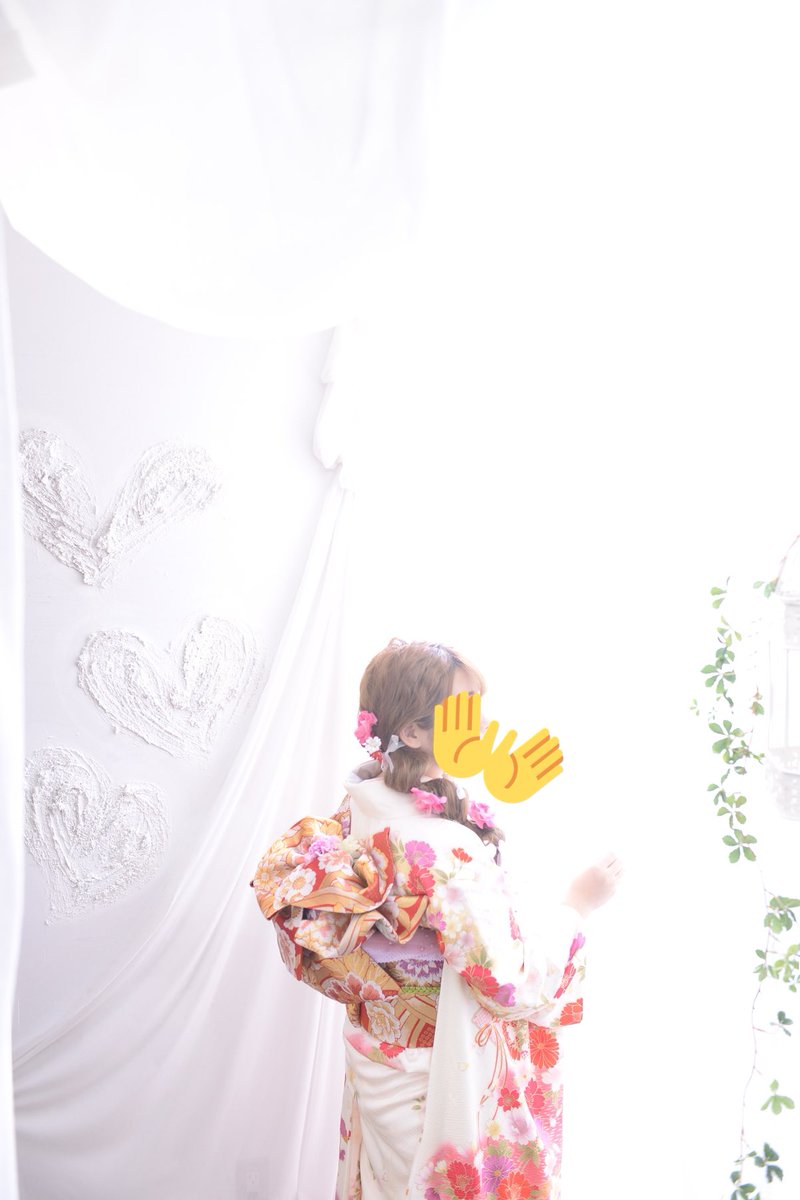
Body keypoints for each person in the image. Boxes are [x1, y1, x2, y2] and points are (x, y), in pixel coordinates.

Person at [251, 639, 622, 1200]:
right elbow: (506, 980)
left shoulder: (359, 807)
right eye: (466, 710)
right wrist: (578, 905)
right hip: (438, 1067)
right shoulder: (443, 847)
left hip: (379, 1053)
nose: (483, 724)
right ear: (414, 731)